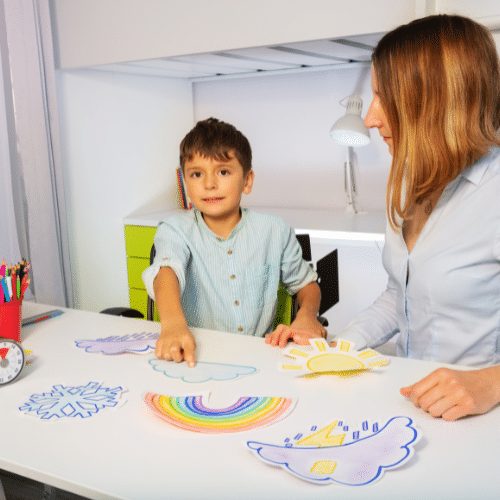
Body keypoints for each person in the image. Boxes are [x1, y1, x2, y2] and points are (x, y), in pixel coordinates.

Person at [268, 14, 500, 421]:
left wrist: (490, 382)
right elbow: (401, 296)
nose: (371, 119)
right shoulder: (415, 181)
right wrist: (336, 347)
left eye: (384, 97)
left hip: (481, 419)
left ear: (436, 99)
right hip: (417, 398)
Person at [142, 118, 326, 367]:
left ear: (247, 181)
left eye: (223, 172)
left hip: (260, 358)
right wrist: (173, 325)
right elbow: (166, 271)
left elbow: (307, 284)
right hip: (194, 358)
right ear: (185, 184)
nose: (209, 184)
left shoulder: (274, 231)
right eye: (196, 174)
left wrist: (307, 316)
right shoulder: (175, 229)